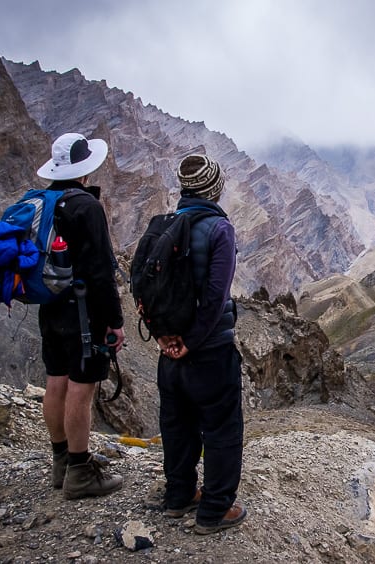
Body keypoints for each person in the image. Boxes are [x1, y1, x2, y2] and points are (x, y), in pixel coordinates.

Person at [156, 154, 246, 535]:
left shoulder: (163, 226)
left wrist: (166, 338)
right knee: (222, 429)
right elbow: (214, 297)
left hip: (169, 353)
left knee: (178, 425)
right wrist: (191, 342)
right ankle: (213, 511)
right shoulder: (219, 230)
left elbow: (147, 287)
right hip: (209, 353)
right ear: (215, 187)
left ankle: (178, 497)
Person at [35, 132, 125, 499]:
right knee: (80, 388)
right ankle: (80, 470)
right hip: (83, 312)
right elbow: (102, 271)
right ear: (84, 171)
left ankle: (60, 463)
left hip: (49, 307)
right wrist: (115, 322)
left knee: (55, 381)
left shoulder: (44, 200)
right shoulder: (86, 207)